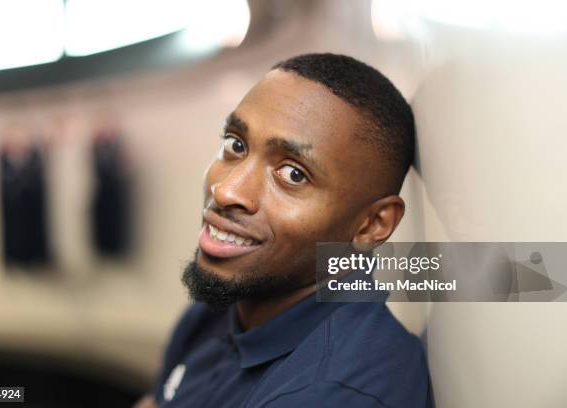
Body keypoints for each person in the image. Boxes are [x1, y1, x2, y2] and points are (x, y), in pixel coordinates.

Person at [135, 53, 431, 408]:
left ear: (372, 225)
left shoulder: (328, 393)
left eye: (293, 174)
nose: (226, 190)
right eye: (235, 145)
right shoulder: (221, 306)